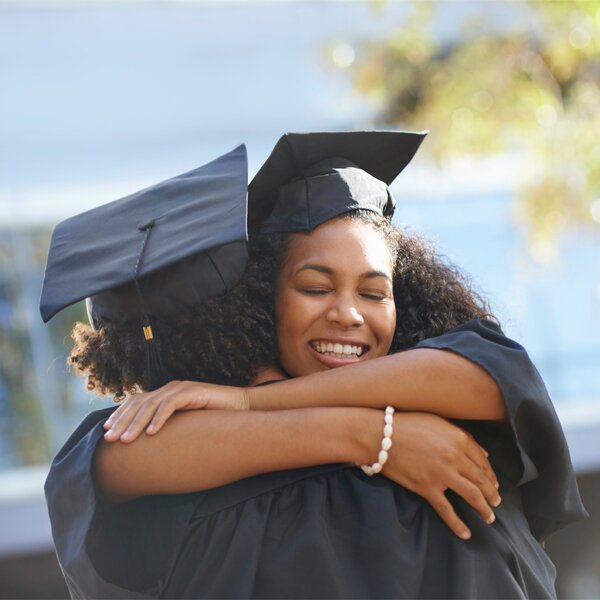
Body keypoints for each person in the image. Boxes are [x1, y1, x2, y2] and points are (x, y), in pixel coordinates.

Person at [42, 133, 586, 599]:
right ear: (259, 302)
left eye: (376, 293)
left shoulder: (456, 416)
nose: (347, 313)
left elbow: (490, 379)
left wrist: (258, 400)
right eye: (315, 287)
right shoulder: (182, 461)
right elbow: (118, 458)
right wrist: (375, 437)